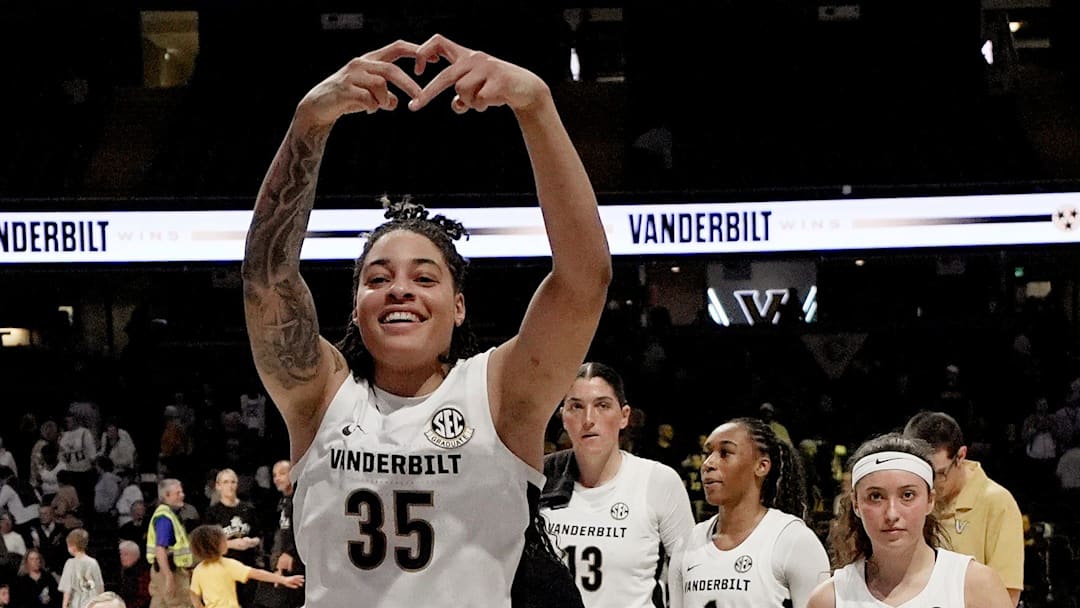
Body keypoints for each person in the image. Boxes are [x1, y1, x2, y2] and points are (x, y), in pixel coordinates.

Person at [240, 33, 610, 607]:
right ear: (355, 306)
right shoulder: (319, 395)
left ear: (459, 305)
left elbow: (585, 280)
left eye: (425, 277)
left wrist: (536, 105)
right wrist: (308, 122)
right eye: (378, 278)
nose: (400, 289)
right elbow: (266, 278)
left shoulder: (501, 394)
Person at [540, 362, 694, 607]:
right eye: (576, 406)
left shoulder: (658, 480)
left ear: (624, 416)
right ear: (563, 417)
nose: (588, 419)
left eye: (602, 405)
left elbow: (689, 576)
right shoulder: (540, 477)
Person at [806, 433, 1012, 608]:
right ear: (856, 504)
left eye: (907, 495)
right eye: (876, 496)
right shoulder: (830, 598)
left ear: (930, 500)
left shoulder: (975, 586)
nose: (891, 514)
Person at [668, 417, 829, 608]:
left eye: (725, 453)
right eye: (707, 453)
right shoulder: (687, 544)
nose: (708, 464)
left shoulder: (794, 541)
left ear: (761, 466)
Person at [902, 411, 1024, 605]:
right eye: (919, 473)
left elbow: (1007, 597)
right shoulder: (907, 500)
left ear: (960, 456)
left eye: (938, 474)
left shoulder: (997, 503)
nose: (928, 483)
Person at [188, 525, 303, 608]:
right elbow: (257, 574)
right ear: (216, 545)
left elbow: (194, 594)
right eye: (224, 540)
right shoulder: (227, 565)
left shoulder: (198, 570)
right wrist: (283, 579)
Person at [202, 470, 261, 608]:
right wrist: (231, 544)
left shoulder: (248, 509)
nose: (230, 486)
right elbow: (207, 543)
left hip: (246, 567)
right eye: (225, 482)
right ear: (218, 486)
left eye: (233, 482)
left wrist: (251, 542)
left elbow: (259, 536)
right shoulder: (212, 512)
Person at [252, 461, 303, 608]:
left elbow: (302, 531)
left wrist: (290, 553)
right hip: (283, 565)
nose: (277, 479)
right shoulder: (283, 501)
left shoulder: (300, 499)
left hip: (297, 564)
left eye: (282, 474)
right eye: (274, 475)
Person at [146, 479, 192, 608]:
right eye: (178, 493)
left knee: (159, 603)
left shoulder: (166, 515)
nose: (182, 495)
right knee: (178, 604)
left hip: (162, 571)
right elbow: (160, 548)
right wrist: (168, 576)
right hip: (171, 571)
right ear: (166, 495)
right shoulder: (165, 518)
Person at [58, 529, 104, 608]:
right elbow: (100, 586)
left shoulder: (70, 563)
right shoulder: (93, 562)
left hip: (76, 603)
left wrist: (64, 606)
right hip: (92, 603)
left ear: (73, 546)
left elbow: (67, 589)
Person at [117, 541, 150, 608]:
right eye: (121, 554)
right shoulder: (124, 571)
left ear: (135, 555)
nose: (122, 557)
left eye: (126, 554)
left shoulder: (143, 572)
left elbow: (144, 598)